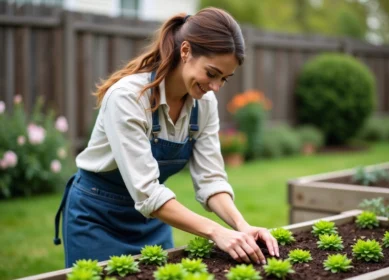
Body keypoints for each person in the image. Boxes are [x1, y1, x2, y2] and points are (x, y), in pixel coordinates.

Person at [54, 7, 279, 268]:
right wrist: (216, 231)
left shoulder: (204, 105)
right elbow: (148, 193)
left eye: (224, 79)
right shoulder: (128, 98)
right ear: (185, 52)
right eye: (212, 73)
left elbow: (211, 180)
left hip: (153, 220)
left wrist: (242, 226)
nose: (215, 87)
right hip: (97, 218)